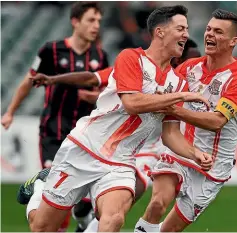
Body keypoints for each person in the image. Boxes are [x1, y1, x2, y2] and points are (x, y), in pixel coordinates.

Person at [27, 5, 213, 232]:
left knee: (113, 220)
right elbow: (132, 104)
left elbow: (170, 134)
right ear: (160, 32)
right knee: (42, 228)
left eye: (187, 29)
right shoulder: (131, 58)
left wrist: (195, 154)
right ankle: (39, 189)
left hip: (121, 162)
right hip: (84, 149)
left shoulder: (179, 82)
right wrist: (179, 96)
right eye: (181, 28)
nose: (186, 34)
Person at [134, 9, 237, 233]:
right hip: (182, 152)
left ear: (233, 41)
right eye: (208, 29)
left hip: (213, 168)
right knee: (156, 204)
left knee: (169, 230)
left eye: (218, 32)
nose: (210, 35)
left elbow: (218, 122)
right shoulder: (188, 69)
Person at [1, 2, 108, 232]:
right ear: (75, 22)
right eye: (91, 20)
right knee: (58, 195)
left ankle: (83, 222)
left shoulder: (100, 55)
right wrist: (10, 111)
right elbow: (29, 81)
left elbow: (106, 93)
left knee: (85, 201)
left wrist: (95, 96)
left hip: (85, 138)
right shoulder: (51, 50)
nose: (96, 25)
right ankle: (43, 189)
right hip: (53, 132)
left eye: (98, 21)